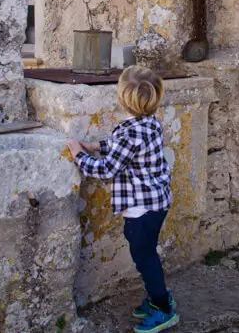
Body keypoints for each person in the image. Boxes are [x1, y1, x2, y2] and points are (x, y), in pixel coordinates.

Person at [65, 65, 178, 333]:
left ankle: (163, 308)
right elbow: (125, 149)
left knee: (145, 257)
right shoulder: (149, 123)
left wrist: (78, 155)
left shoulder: (129, 132)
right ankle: (157, 297)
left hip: (141, 209)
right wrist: (98, 146)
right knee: (146, 254)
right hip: (157, 202)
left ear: (122, 98)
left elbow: (106, 169)